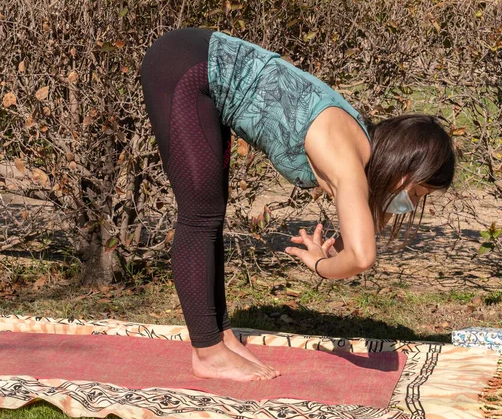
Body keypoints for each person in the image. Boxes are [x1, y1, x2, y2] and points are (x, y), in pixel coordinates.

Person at [140, 27, 455, 383]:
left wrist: (337, 249)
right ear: (403, 173)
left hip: (202, 68)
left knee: (209, 216)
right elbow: (363, 258)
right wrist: (321, 265)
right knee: (200, 216)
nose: (410, 205)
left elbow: (360, 233)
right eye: (416, 194)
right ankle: (208, 353)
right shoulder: (348, 161)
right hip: (185, 65)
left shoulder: (360, 147)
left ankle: (220, 337)